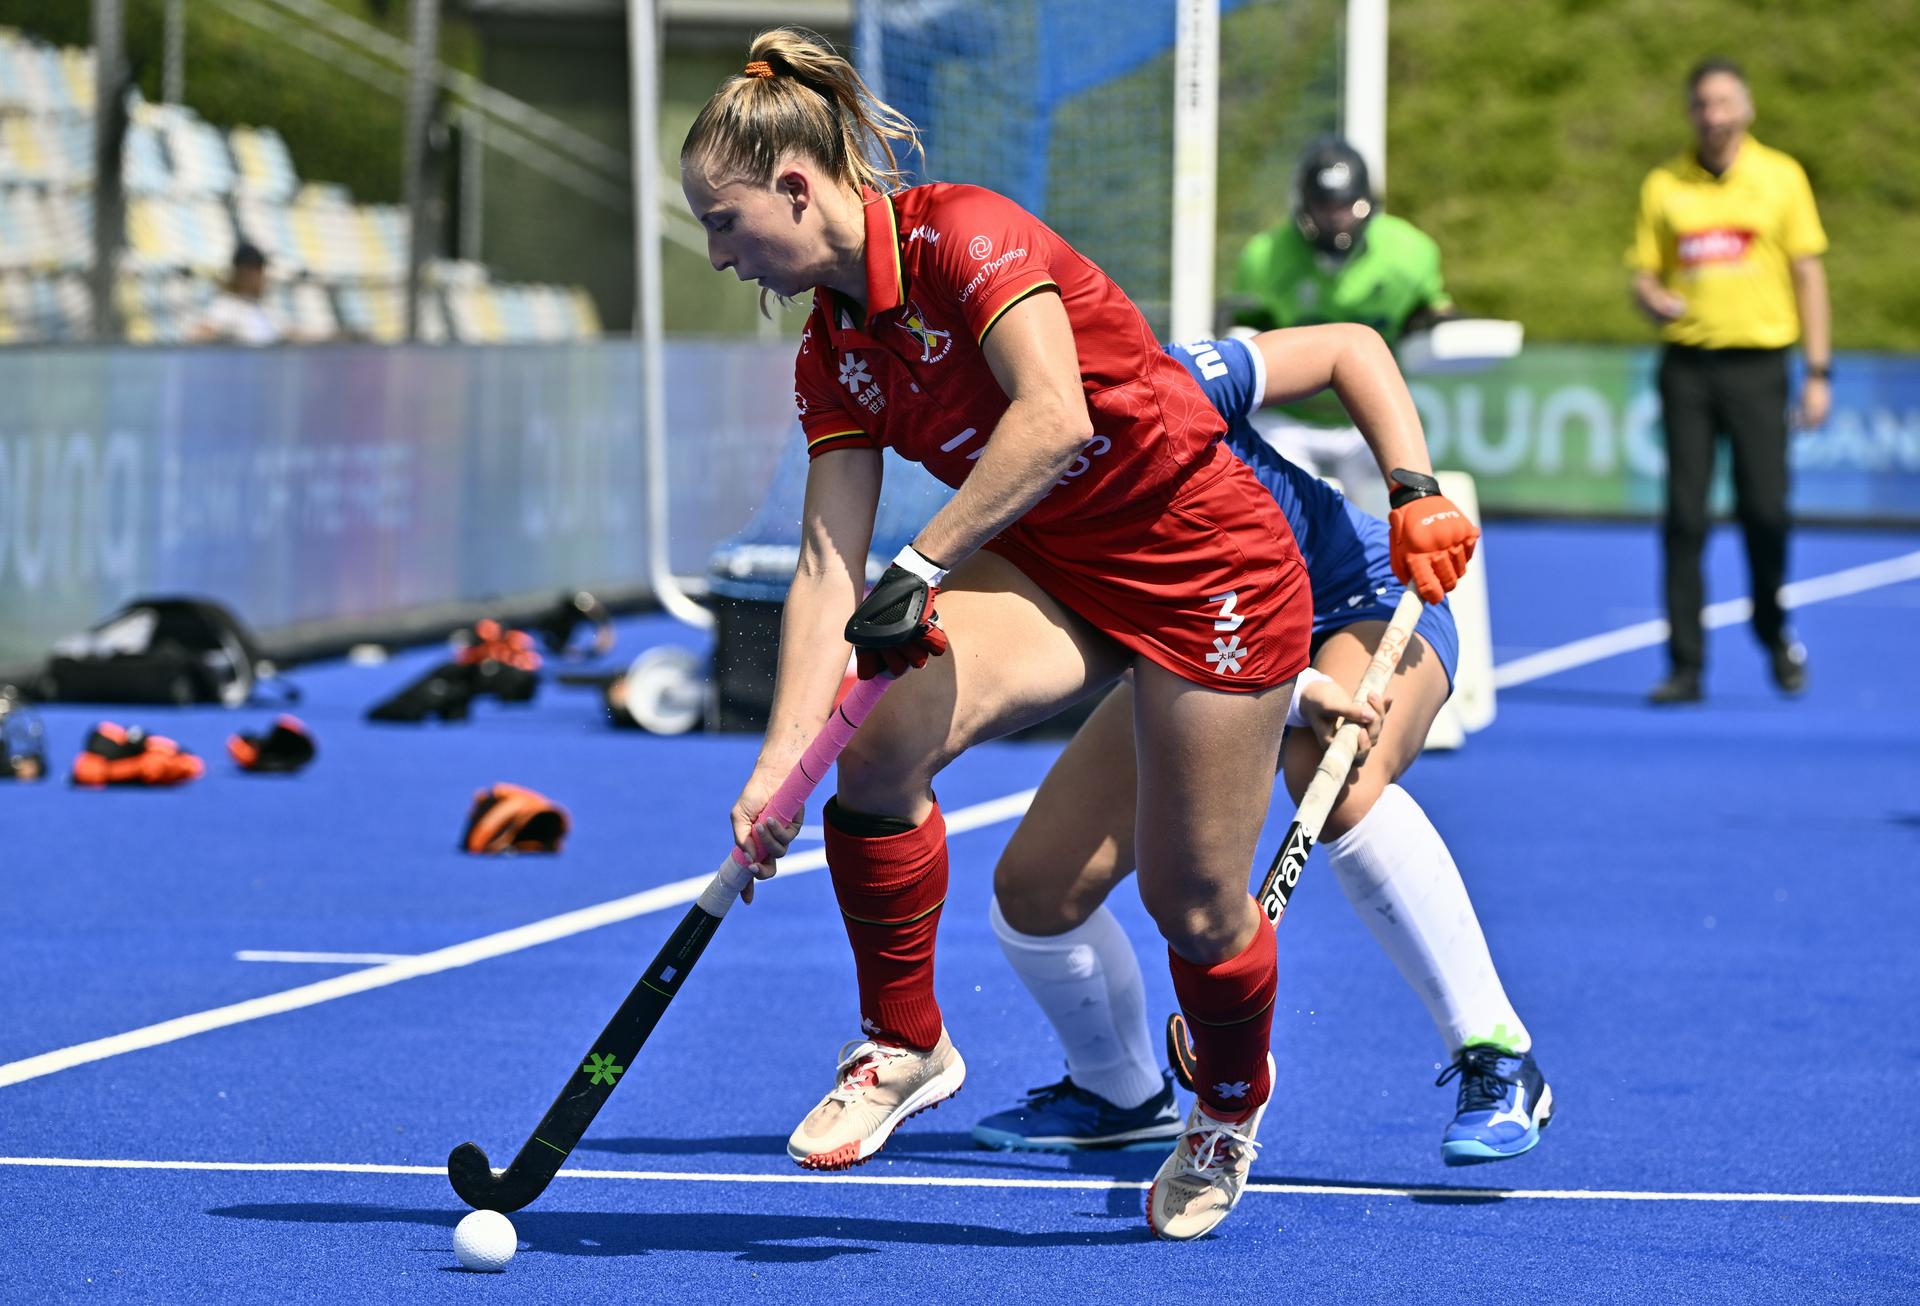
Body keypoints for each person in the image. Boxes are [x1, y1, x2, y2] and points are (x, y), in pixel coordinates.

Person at [678, 29, 1472, 1240]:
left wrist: (927, 557)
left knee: (1195, 904)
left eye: (725, 223)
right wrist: (777, 766)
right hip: (1065, 576)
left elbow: (1052, 420)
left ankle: (1224, 1103)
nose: (720, 254)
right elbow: (824, 564)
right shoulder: (834, 352)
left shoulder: (966, 235)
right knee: (873, 749)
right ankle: (904, 1043)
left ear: (797, 188)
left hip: (1209, 566)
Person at [972, 328, 1552, 1167]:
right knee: (1036, 889)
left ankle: (1498, 1055)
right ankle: (1115, 1089)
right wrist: (1297, 692)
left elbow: (1353, 347)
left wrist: (1415, 493)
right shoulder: (1012, 480)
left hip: (1353, 598)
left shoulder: (1162, 376)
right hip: (1204, 655)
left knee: (1331, 771)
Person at [1629, 58, 1830, 705]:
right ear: (1691, 113)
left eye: (1723, 104)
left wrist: (1818, 372)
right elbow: (1644, 274)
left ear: (1744, 108)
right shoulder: (1665, 184)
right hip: (1688, 367)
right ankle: (1686, 665)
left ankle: (1773, 629)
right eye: (1701, 105)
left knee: (1765, 510)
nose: (1712, 116)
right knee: (1684, 517)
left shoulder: (1781, 177)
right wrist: (1652, 297)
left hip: (1760, 366)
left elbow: (1808, 276)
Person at [1229, 137, 1456, 517]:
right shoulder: (1264, 258)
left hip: (1366, 419)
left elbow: (1433, 315)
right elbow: (1243, 343)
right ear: (1303, 205)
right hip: (1289, 420)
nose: (1335, 218)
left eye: (1346, 206)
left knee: (1406, 510)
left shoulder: (1411, 253)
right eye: (1323, 207)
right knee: (1281, 519)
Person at [189, 241, 291, 346]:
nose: (264, 276)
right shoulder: (226, 304)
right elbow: (199, 334)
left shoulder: (266, 307)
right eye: (259, 270)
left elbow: (286, 333)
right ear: (244, 273)